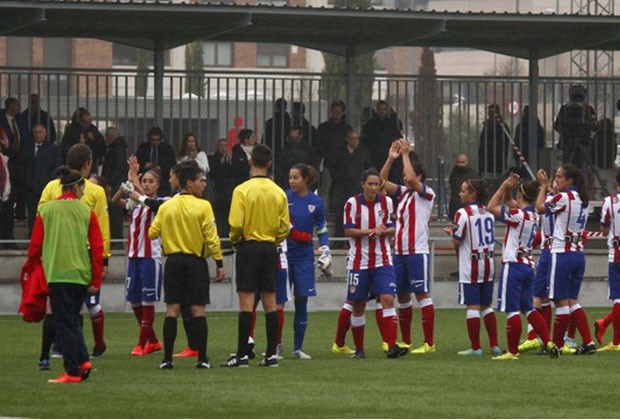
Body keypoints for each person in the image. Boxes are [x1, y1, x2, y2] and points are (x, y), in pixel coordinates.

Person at [27, 168, 103, 383]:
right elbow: (97, 247)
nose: (84, 192)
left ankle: (71, 370)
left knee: (64, 322)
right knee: (72, 320)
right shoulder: (87, 212)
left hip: (58, 273)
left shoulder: (47, 210)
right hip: (81, 274)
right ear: (76, 187)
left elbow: (35, 245)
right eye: (82, 188)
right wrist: (96, 278)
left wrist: (30, 266)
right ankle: (82, 360)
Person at [149, 164, 225, 369]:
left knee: (172, 309)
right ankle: (202, 358)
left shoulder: (166, 206)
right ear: (189, 183)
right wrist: (219, 263)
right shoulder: (203, 206)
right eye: (201, 180)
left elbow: (152, 233)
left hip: (173, 262)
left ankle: (167, 359)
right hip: (195, 262)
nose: (204, 184)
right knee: (198, 309)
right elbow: (212, 237)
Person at [39, 144, 110, 358]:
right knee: (77, 304)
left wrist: (42, 252)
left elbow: (40, 220)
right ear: (88, 164)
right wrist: (104, 261)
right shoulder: (96, 191)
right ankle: (74, 350)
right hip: (83, 254)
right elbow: (102, 230)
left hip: (55, 252)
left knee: (56, 302)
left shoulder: (51, 187)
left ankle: (55, 349)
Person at [225, 144, 289, 368]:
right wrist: (274, 239)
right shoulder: (278, 191)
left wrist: (236, 241)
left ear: (251, 161)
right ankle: (271, 355)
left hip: (248, 247)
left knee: (246, 302)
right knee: (270, 301)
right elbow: (284, 226)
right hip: (270, 248)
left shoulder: (242, 190)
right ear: (269, 163)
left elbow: (235, 224)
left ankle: (242, 355)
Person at [486, 173, 559, 360]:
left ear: (521, 195)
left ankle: (512, 351)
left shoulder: (517, 215)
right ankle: (548, 341)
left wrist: (503, 186)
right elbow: (509, 201)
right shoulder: (534, 215)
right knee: (529, 308)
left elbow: (491, 207)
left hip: (513, 264)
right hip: (528, 265)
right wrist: (509, 191)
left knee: (512, 309)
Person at [379, 139, 436, 354]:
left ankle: (429, 343)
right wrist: (391, 158)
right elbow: (381, 182)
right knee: (402, 296)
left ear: (420, 176)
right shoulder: (403, 194)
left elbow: (411, 178)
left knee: (421, 294)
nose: (405, 178)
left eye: (408, 174)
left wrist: (405, 155)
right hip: (400, 252)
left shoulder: (427, 194)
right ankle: (407, 340)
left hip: (417, 251)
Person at [342, 168, 403, 359]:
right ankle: (359, 349)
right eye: (370, 184)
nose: (374, 187)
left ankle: (392, 346)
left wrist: (385, 231)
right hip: (359, 262)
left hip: (382, 260)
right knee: (358, 304)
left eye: (377, 184)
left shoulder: (387, 202)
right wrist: (370, 230)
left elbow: (393, 227)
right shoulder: (352, 204)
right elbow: (348, 231)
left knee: (387, 299)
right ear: (363, 185)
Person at [535, 164, 596, 354]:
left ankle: (556, 346)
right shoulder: (583, 199)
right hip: (578, 253)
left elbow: (539, 208)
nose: (557, 179)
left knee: (560, 301)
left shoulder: (563, 197)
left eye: (560, 177)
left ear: (569, 180)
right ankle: (588, 342)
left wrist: (544, 186)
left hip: (562, 254)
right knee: (572, 300)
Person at [443, 178, 500, 356]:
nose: (460, 194)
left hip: (471, 264)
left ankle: (475, 347)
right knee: (487, 306)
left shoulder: (462, 213)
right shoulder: (489, 212)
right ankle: (495, 345)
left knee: (473, 306)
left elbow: (457, 240)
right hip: (488, 263)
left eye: (463, 191)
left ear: (473, 194)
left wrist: (451, 232)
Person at [112, 163, 164, 357]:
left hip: (150, 258)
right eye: (145, 181)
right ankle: (154, 342)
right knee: (134, 301)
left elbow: (149, 201)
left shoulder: (160, 202)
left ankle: (141, 344)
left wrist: (135, 182)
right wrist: (126, 185)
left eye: (151, 181)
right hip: (133, 258)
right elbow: (116, 200)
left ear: (158, 185)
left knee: (147, 300)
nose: (147, 184)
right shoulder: (136, 204)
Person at [286, 163, 331, 359]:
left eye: (296, 177)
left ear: (305, 179)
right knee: (278, 302)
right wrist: (293, 233)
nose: (292, 181)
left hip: (304, 257)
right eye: (290, 177)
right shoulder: (284, 197)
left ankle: (297, 348)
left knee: (302, 300)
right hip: (285, 255)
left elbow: (321, 227)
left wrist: (326, 248)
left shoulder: (316, 202)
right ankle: (276, 346)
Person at [330, 129, 373, 245]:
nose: (355, 141)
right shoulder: (339, 152)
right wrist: (338, 178)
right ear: (347, 139)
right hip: (342, 188)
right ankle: (338, 242)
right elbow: (332, 167)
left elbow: (369, 168)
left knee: (356, 214)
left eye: (357, 139)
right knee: (341, 214)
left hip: (357, 188)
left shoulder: (364, 153)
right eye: (352, 139)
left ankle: (353, 242)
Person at [596, 169, 620, 352]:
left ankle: (615, 339)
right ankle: (610, 333)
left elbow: (604, 230)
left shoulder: (609, 202)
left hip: (616, 253)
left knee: (618, 298)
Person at [23, 124, 62, 234]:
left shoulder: (53, 149)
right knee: (32, 216)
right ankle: (32, 238)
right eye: (35, 132)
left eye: (40, 132)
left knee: (47, 215)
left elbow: (57, 168)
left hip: (46, 189)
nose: (38, 135)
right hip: (30, 189)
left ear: (45, 134)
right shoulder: (27, 149)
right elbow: (23, 167)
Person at [315, 100, 352, 209]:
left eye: (339, 111)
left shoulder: (346, 128)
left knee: (341, 188)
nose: (337, 114)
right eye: (335, 111)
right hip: (328, 163)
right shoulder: (324, 128)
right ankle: (324, 212)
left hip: (343, 164)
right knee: (326, 188)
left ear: (342, 112)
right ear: (331, 112)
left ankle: (339, 210)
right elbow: (318, 146)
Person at [0, 97, 26, 246]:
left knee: (13, 200)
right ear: (9, 106)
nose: (19, 107)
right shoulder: (2, 120)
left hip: (18, 167)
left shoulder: (20, 121)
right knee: (5, 204)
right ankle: (5, 238)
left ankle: (9, 238)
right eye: (16, 104)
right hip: (4, 165)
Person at [554, 85, 597, 172]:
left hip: (567, 143)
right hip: (583, 141)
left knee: (566, 169)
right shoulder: (588, 109)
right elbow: (593, 126)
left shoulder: (564, 109)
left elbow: (557, 126)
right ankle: (582, 183)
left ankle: (566, 184)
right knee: (583, 168)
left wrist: (566, 131)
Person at [361, 100, 403, 182]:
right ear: (377, 110)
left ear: (387, 110)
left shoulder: (393, 123)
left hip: (390, 157)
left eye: (384, 109)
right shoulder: (371, 124)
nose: (381, 111)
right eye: (380, 109)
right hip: (375, 157)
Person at [101, 127, 128, 246]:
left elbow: (117, 169)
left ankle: (117, 240)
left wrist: (110, 183)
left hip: (115, 185)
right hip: (116, 184)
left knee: (115, 211)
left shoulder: (117, 149)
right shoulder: (117, 148)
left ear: (110, 137)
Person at [136, 127, 176, 196]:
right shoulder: (143, 148)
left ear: (161, 139)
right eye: (153, 140)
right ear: (149, 139)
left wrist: (161, 168)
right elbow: (137, 162)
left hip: (163, 181)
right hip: (145, 179)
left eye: (157, 140)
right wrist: (145, 165)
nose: (155, 142)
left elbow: (172, 164)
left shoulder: (167, 149)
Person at [208, 138, 234, 240]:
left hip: (227, 190)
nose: (223, 148)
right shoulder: (212, 159)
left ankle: (227, 232)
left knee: (227, 212)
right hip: (216, 190)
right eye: (221, 145)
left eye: (225, 146)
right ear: (217, 147)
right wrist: (221, 163)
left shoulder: (230, 159)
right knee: (218, 213)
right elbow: (213, 173)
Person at [478, 104, 510, 183]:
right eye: (489, 112)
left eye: (491, 112)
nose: (490, 114)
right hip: (487, 162)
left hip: (496, 162)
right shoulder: (487, 125)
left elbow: (504, 143)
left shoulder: (501, 126)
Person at [448, 153, 479, 224]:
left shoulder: (472, 175)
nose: (461, 165)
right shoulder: (454, 173)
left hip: (468, 207)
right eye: (459, 162)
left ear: (467, 162)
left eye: (463, 162)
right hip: (455, 205)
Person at [513, 105, 545, 174]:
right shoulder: (539, 127)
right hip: (535, 155)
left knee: (522, 173)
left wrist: (516, 154)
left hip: (522, 154)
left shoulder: (520, 127)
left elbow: (517, 141)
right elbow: (541, 143)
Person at [262, 98, 291, 163]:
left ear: (276, 107)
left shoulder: (270, 122)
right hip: (289, 153)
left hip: (273, 153)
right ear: (286, 107)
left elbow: (265, 139)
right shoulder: (291, 122)